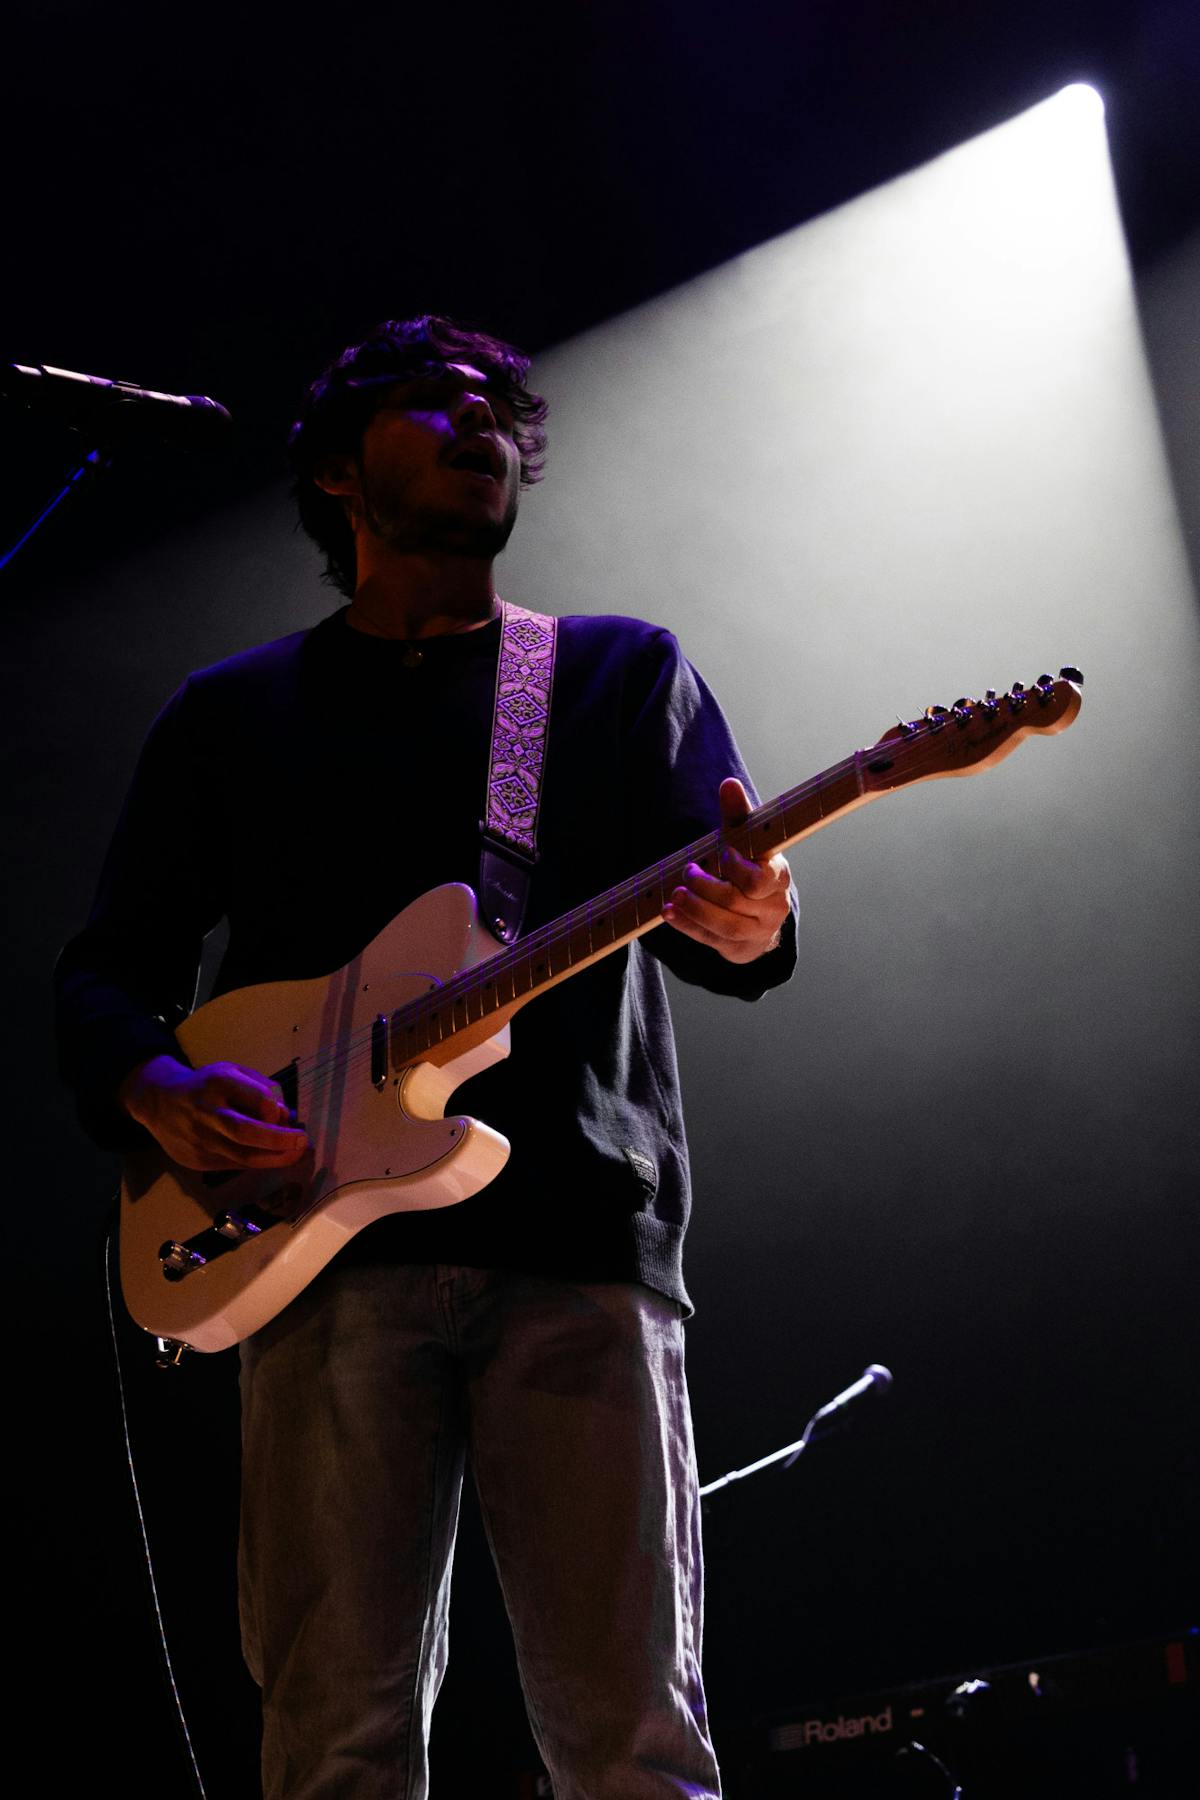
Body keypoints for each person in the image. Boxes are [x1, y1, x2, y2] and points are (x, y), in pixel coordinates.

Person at [56, 316, 798, 1799]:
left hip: (577, 1237)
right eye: (431, 401)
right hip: (316, 1255)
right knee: (335, 1742)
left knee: (632, 1745)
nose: (480, 425)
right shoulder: (231, 713)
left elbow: (735, 932)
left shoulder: (612, 673)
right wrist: (161, 1087)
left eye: (497, 411)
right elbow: (106, 971)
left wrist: (755, 912)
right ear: (338, 471)